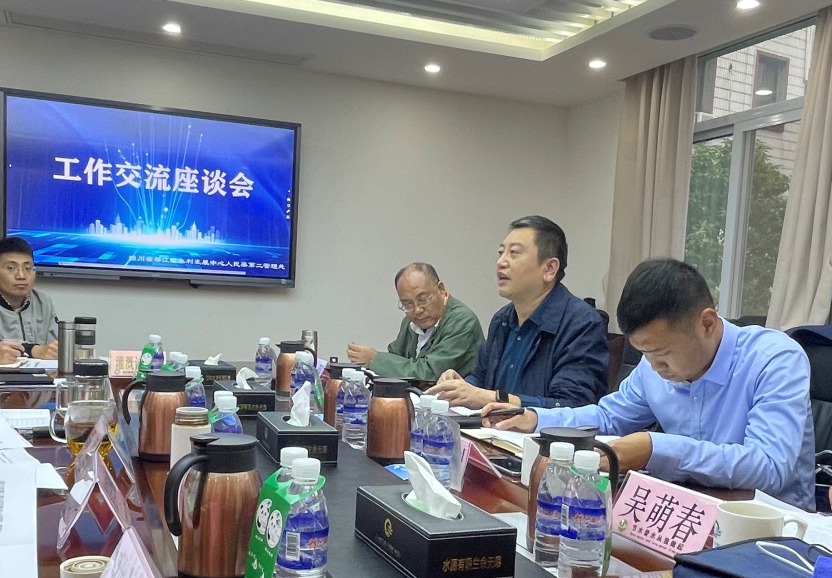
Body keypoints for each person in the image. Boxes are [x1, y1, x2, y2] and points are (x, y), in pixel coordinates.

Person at [485, 258, 816, 510]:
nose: (655, 367)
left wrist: (656, 449)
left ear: (707, 323)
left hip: (771, 531)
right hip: (685, 510)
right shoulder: (652, 366)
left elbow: (769, 467)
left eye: (662, 353)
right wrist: (538, 419)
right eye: (644, 353)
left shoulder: (774, 359)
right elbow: (609, 417)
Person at [428, 216, 608, 409]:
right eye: (500, 253)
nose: (501, 262)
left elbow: (573, 405)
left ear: (549, 269)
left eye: (514, 253)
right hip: (492, 428)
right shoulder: (502, 319)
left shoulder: (582, 323)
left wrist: (494, 398)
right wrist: (459, 386)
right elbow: (481, 379)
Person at [346, 263, 483, 380]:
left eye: (423, 299)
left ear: (441, 289)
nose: (417, 310)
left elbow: (430, 373)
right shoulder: (410, 322)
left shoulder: (462, 321)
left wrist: (374, 360)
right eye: (407, 304)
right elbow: (395, 357)